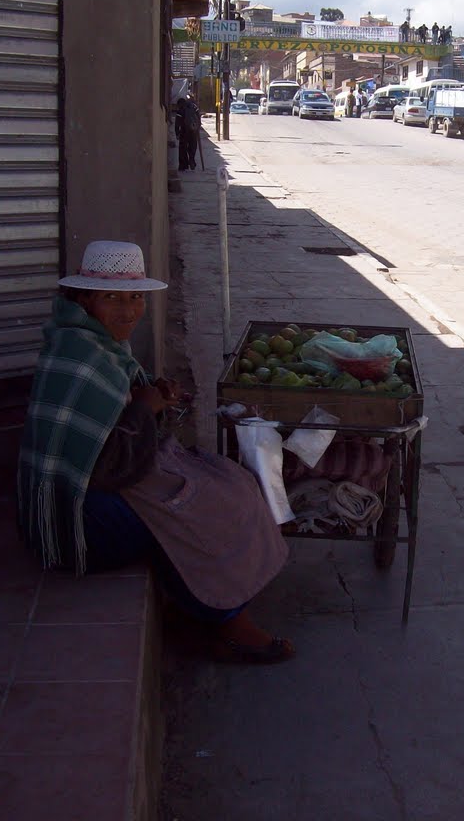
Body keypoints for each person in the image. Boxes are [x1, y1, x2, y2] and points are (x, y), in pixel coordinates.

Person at [17, 240, 293, 665]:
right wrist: (145, 407)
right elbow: (108, 469)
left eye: (135, 298)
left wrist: (148, 398)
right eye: (111, 297)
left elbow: (117, 420)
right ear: (85, 298)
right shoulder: (80, 354)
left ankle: (208, 603)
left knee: (229, 480)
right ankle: (224, 620)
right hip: (74, 515)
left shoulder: (97, 342)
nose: (127, 310)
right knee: (186, 512)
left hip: (101, 484)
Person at [175, 96, 200, 171]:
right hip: (193, 130)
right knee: (192, 146)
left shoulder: (180, 109)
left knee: (183, 148)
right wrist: (197, 127)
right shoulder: (194, 107)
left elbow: (177, 123)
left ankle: (183, 165)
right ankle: (191, 160)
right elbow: (198, 117)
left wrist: (177, 133)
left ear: (179, 104)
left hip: (184, 131)